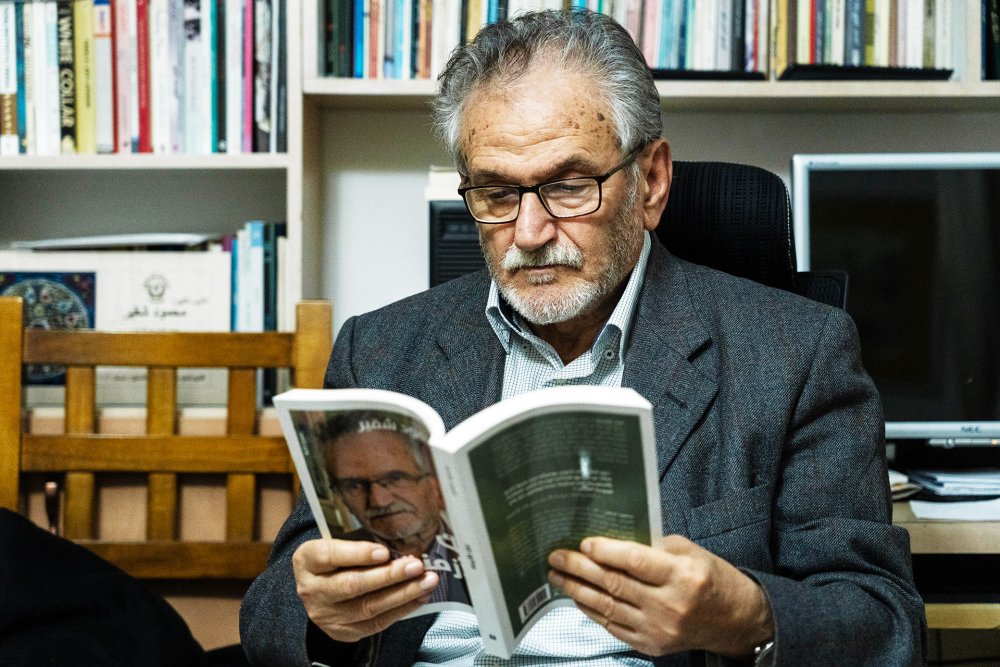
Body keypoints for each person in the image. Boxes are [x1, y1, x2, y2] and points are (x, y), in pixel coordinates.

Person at [241, 9, 926, 666]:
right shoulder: (382, 350)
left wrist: (747, 615)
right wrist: (322, 614)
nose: (530, 233)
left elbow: (884, 625)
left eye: (569, 186)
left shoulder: (796, 353)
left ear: (651, 181)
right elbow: (271, 613)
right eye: (496, 194)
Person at [313, 411, 470, 606]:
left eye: (394, 479)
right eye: (353, 485)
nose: (379, 501)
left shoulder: (479, 544)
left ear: (433, 480)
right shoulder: (335, 566)